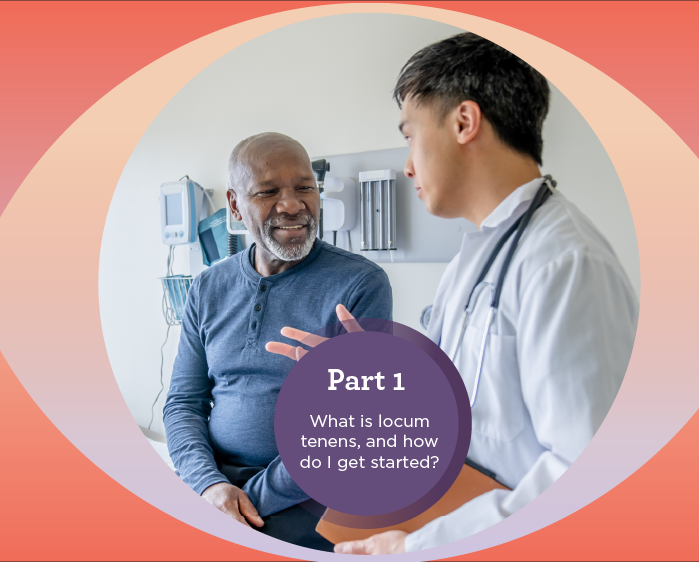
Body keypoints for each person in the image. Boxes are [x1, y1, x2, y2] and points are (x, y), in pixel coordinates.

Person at [270, 33, 639, 554]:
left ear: (465, 122)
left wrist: (418, 545)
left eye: (410, 136)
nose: (408, 166)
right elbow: (464, 402)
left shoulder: (564, 262)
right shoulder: (475, 256)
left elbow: (587, 476)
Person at [163, 132, 393, 551]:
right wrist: (208, 484)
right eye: (268, 192)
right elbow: (183, 403)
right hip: (215, 482)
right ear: (235, 205)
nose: (292, 204)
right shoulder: (208, 287)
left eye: (305, 187)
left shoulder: (360, 284)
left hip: (308, 493)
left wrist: (246, 503)